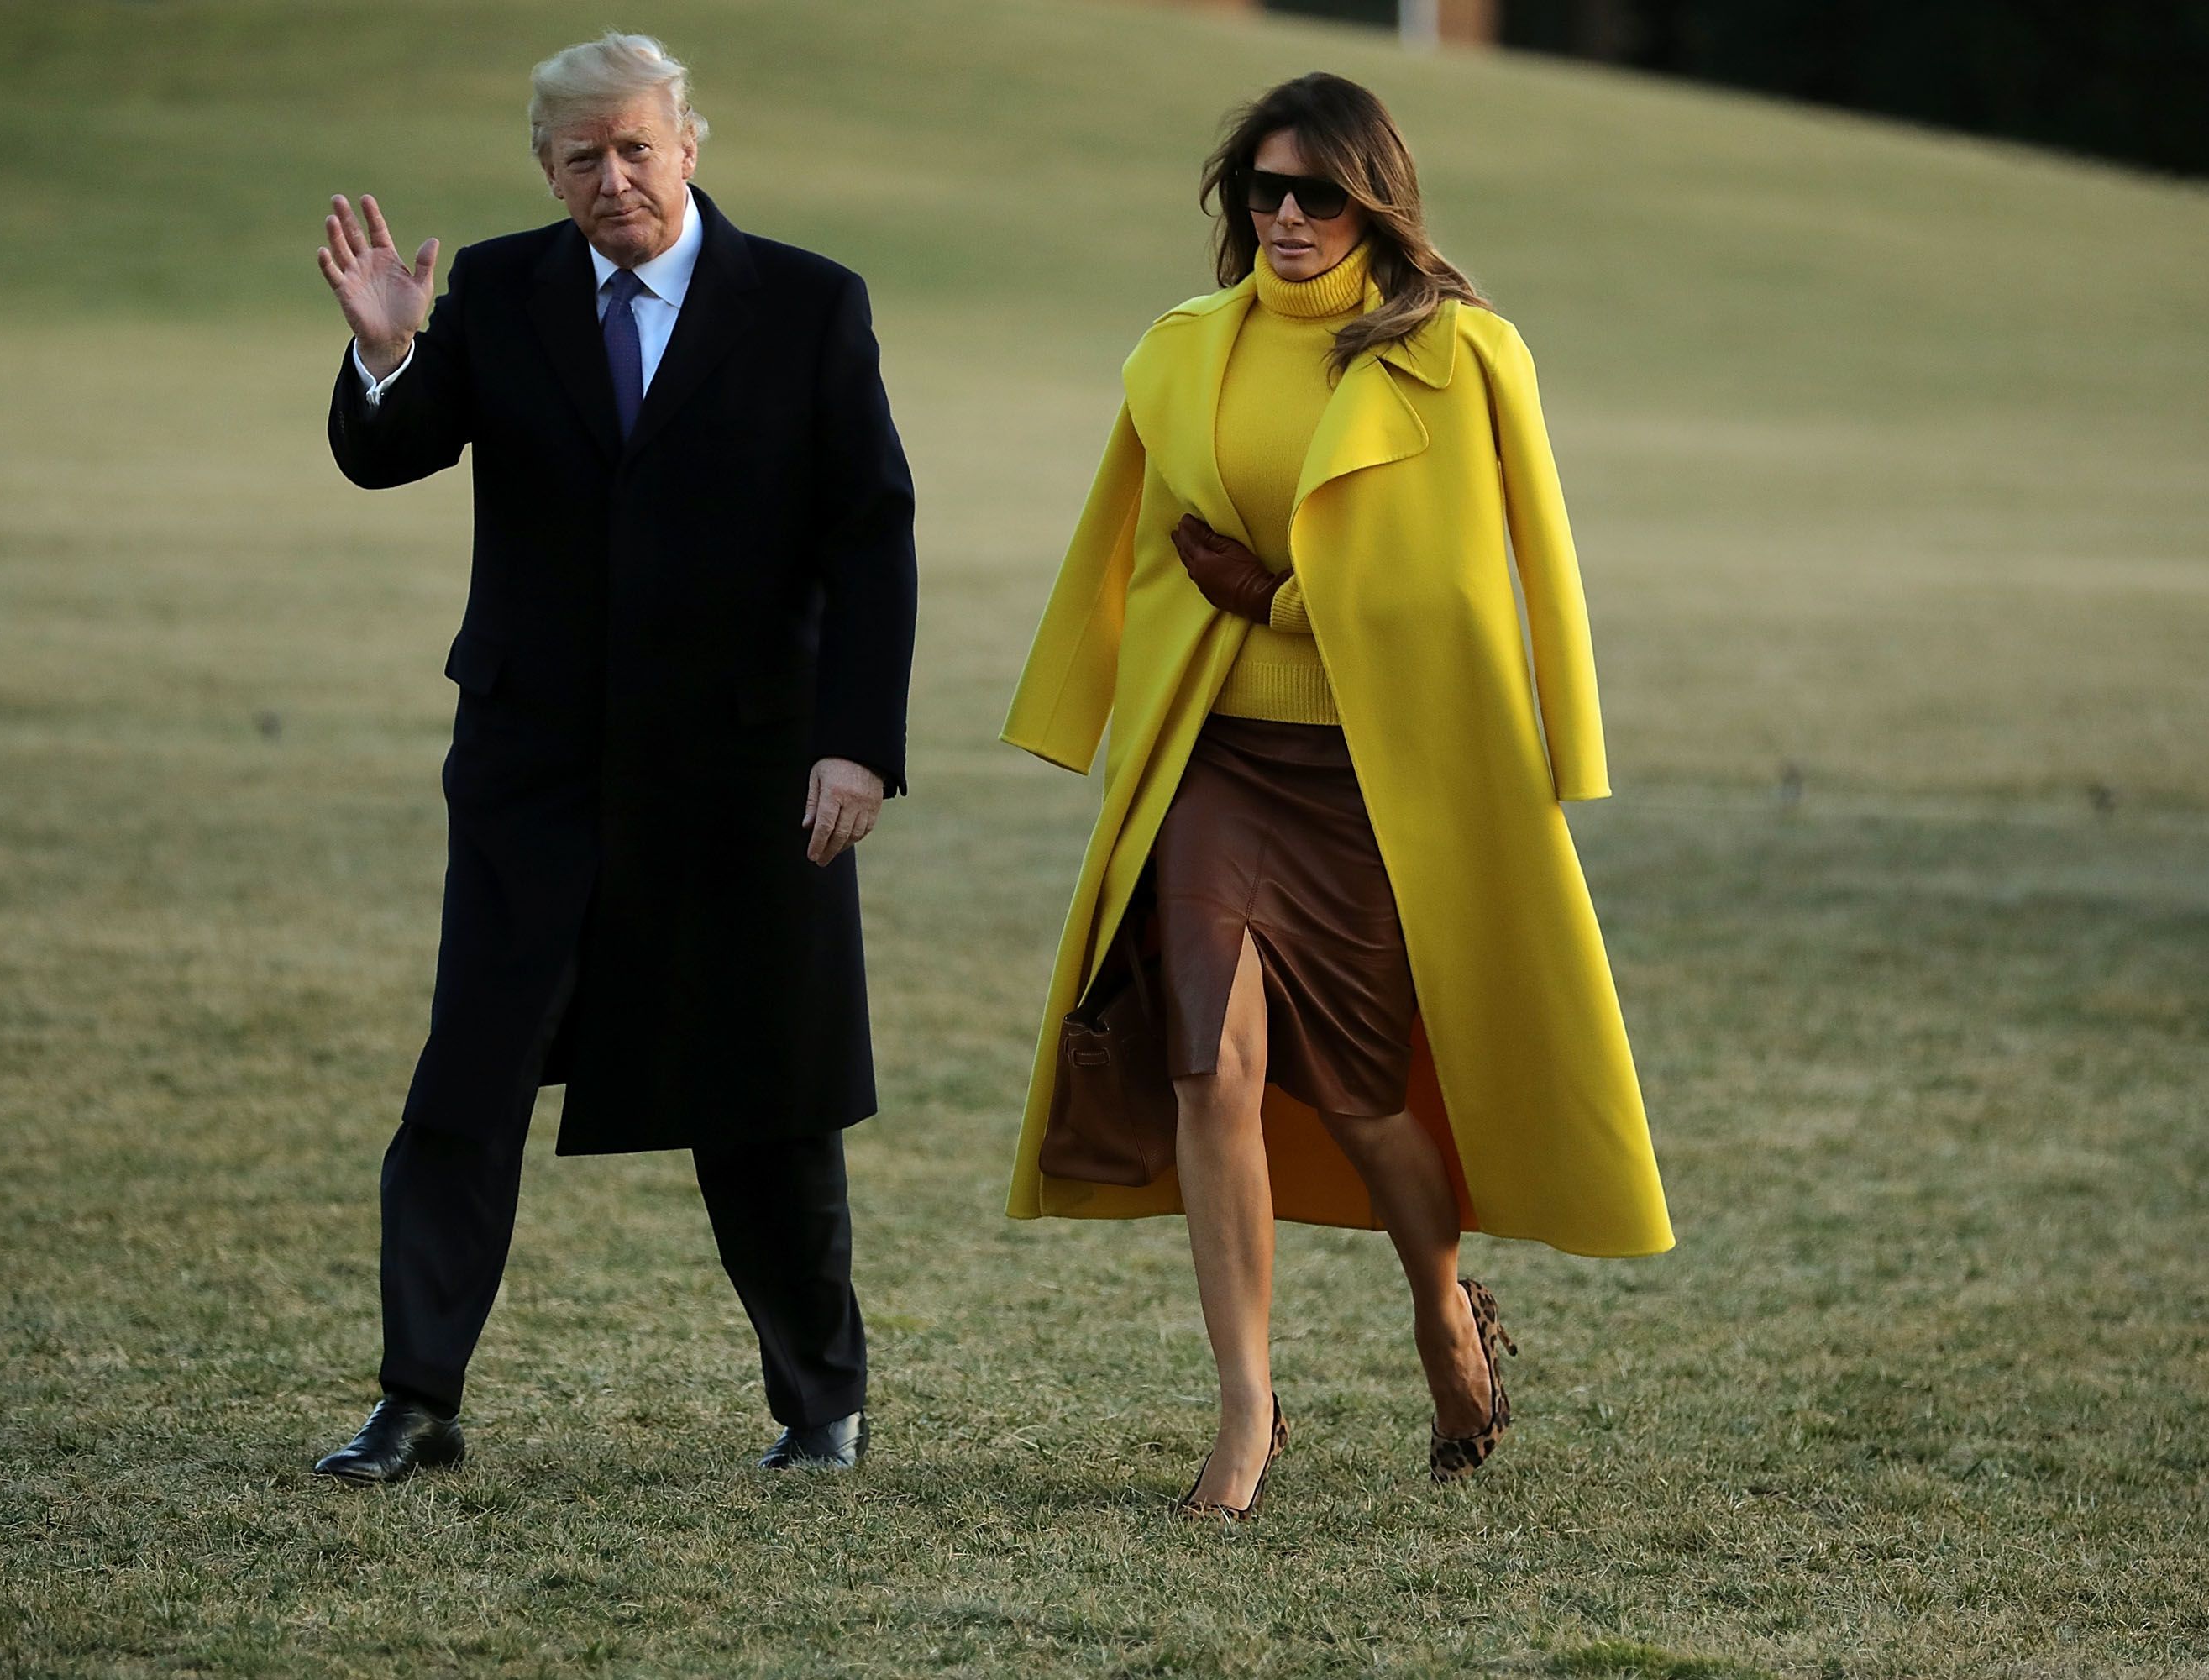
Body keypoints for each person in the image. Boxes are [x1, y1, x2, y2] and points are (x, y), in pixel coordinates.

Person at [1001, 72, 1671, 1518]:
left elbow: (1490, 574)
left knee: (1371, 1103)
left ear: (1377, 199)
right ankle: (1246, 1411)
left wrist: (1296, 604)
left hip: (1380, 773)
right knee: (1208, 1065)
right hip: (1215, 758)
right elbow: (1119, 541)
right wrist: (1070, 709)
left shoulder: (1464, 353)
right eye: (1264, 191)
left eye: (1317, 192)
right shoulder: (1184, 350)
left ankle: (1442, 1311)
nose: (1288, 216)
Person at [309, 33, 916, 1483]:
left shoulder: (811, 305)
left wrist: (857, 747)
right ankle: (417, 1402)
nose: (614, 178)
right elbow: (391, 455)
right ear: (546, 168)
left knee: (765, 1101)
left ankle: (821, 1404)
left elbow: (870, 536)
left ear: (691, 143)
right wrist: (389, 353)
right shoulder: (506, 291)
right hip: (537, 772)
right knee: (466, 1082)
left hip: (747, 779)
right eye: (582, 156)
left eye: (637, 147)